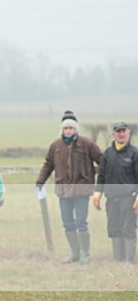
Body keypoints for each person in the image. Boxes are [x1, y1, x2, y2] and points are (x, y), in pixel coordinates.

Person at [36, 110, 102, 263]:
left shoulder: (87, 144)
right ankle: (75, 253)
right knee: (67, 223)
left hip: (81, 190)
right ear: (62, 129)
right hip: (63, 191)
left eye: (71, 128)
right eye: (66, 128)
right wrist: (40, 181)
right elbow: (48, 164)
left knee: (81, 222)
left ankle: (85, 254)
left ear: (75, 129)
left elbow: (102, 160)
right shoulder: (56, 146)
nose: (68, 130)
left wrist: (96, 175)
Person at [93, 122, 138, 263]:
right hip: (111, 199)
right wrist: (97, 193)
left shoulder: (135, 153)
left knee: (128, 229)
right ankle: (118, 260)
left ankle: (128, 261)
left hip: (129, 199)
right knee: (114, 228)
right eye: (118, 131)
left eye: (124, 131)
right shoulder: (107, 154)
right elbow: (101, 176)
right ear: (114, 134)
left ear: (128, 133)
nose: (121, 134)